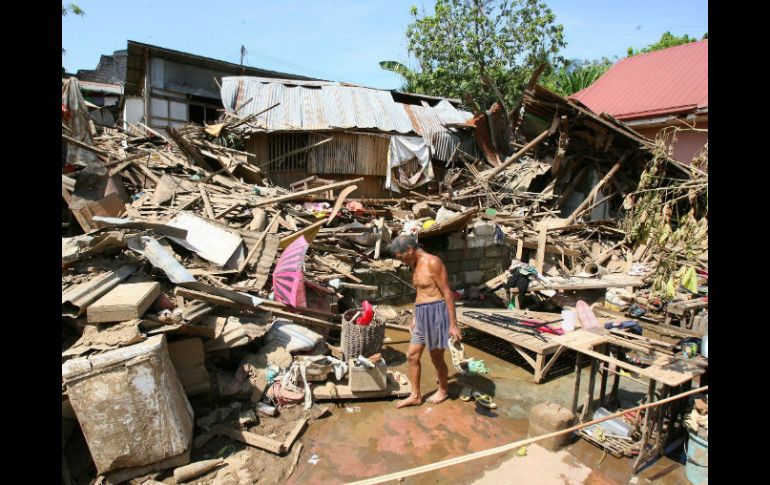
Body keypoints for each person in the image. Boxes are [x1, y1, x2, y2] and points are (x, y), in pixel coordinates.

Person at [389, 235, 461, 408]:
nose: (400, 260)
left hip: (437, 313)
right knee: (412, 356)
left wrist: (453, 324)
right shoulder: (413, 263)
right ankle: (415, 395)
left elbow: (447, 293)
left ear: (410, 250)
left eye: (400, 256)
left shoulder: (432, 262)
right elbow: (420, 292)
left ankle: (443, 390)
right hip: (422, 314)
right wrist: (415, 316)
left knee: (436, 357)